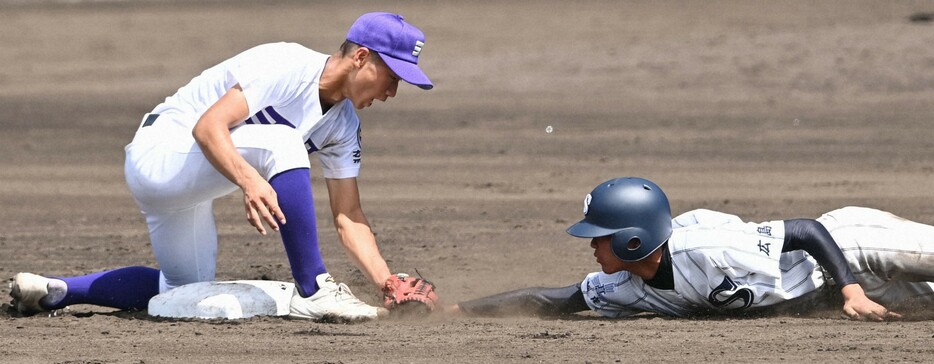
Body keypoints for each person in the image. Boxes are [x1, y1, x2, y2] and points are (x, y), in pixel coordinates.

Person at [9, 12, 434, 321]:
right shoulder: (286, 65)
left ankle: (56, 291)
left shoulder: (343, 125)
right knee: (283, 139)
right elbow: (209, 127)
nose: (394, 90)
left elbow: (348, 215)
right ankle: (314, 289)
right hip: (162, 152)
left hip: (189, 184)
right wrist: (250, 181)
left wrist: (386, 281)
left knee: (185, 287)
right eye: (392, 75)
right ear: (361, 57)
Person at [450, 177, 934, 321]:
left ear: (631, 239)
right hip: (845, 294)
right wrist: (455, 310)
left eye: (599, 235)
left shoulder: (708, 245)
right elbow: (550, 300)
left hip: (851, 247)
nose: (592, 245)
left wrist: (850, 289)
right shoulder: (626, 286)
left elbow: (806, 230)